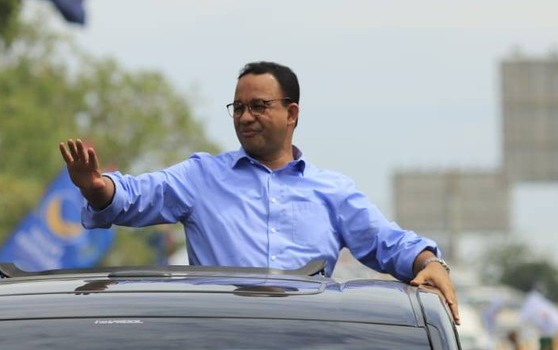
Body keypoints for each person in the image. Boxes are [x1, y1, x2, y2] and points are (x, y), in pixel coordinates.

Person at [60, 61, 459, 322]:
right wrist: (98, 187)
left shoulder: (333, 192)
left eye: (258, 106)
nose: (245, 117)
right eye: (237, 108)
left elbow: (388, 243)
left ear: (292, 114)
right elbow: (136, 195)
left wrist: (431, 263)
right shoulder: (203, 177)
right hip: (218, 349)